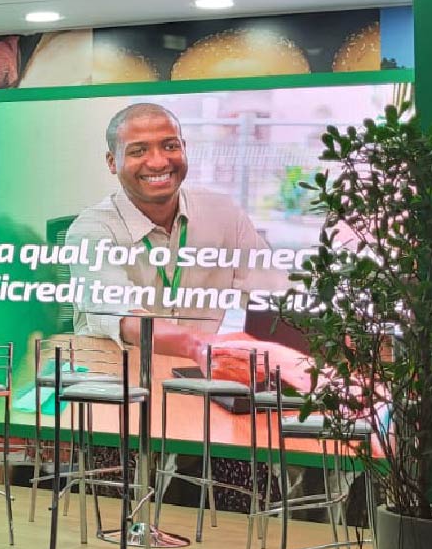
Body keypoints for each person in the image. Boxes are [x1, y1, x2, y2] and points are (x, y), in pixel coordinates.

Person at [61, 102, 310, 390]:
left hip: (199, 381)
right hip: (114, 385)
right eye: (138, 151)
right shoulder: (91, 230)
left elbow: (281, 296)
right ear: (112, 162)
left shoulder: (223, 214)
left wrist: (336, 337)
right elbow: (123, 317)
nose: (158, 162)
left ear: (184, 148)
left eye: (170, 146)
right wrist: (199, 345)